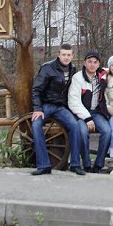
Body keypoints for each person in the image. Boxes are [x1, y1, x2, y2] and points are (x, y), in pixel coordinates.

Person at [31, 43, 84, 176]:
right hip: (46, 106)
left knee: (75, 126)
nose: (66, 57)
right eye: (63, 54)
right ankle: (44, 165)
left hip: (61, 107)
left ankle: (75, 165)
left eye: (68, 55)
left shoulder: (73, 69)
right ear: (58, 55)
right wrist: (37, 108)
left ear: (72, 56)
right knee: (36, 125)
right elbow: (36, 89)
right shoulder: (47, 68)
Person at [68, 50, 112, 173]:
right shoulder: (78, 78)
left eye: (95, 62)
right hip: (80, 114)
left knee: (107, 131)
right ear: (84, 63)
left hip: (96, 112)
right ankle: (87, 164)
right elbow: (73, 101)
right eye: (89, 62)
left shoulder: (103, 74)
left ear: (99, 64)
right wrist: (87, 118)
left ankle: (98, 164)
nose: (92, 65)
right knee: (82, 132)